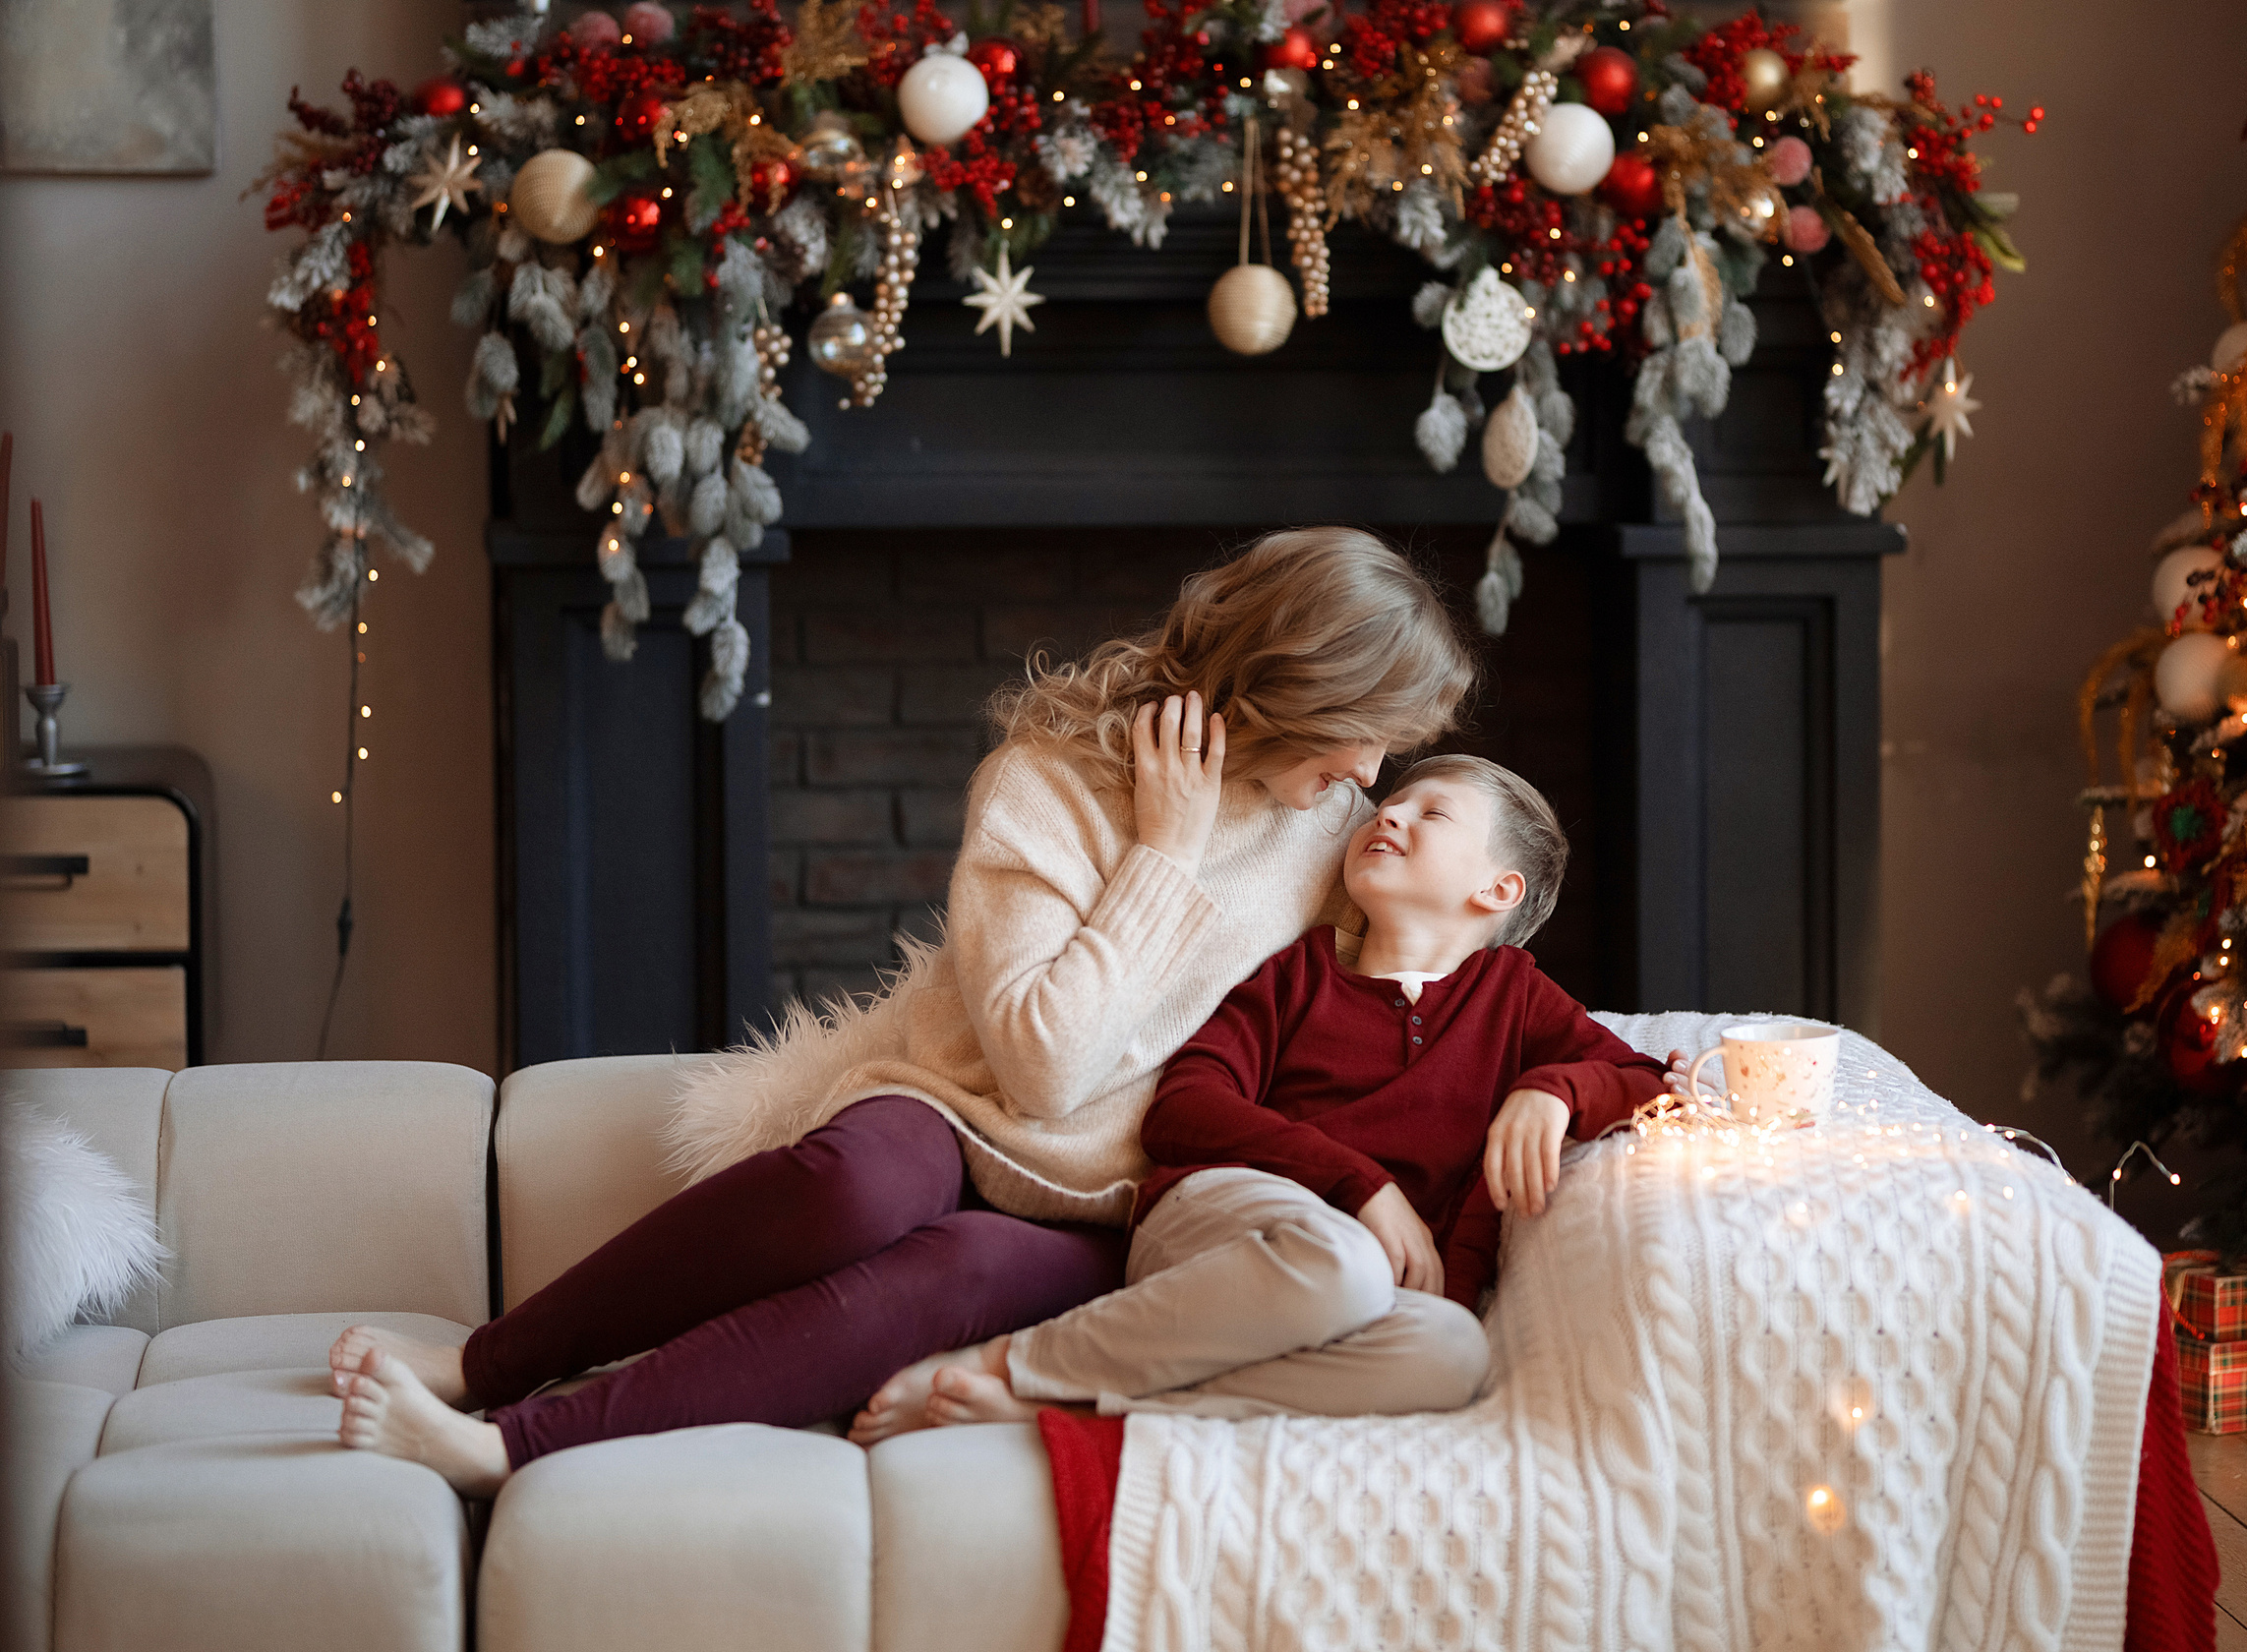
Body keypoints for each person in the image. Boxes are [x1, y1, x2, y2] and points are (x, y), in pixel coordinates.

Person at [330, 529, 1476, 1494]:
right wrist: (1165, 860)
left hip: (1126, 1200)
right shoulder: (1051, 780)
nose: (1373, 772)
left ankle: (505, 1447)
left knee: (946, 1277)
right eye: (1364, 731)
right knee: (851, 1185)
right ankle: (486, 1365)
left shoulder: (1338, 839)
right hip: (960, 1110)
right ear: (1293, 691)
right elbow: (1041, 1069)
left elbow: (1472, 974)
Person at [899, 755, 1672, 1428]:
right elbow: (1186, 1107)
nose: (1390, 811)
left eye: (1431, 812)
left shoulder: (1514, 998)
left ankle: (1087, 1407)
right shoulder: (1298, 973)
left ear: (1498, 888)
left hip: (1351, 1289)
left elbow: (1650, 1081)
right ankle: (1016, 1362)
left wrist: (1553, 1092)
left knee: (1453, 1352)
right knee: (1343, 1260)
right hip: (1226, 1225)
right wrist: (1362, 1187)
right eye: (1393, 800)